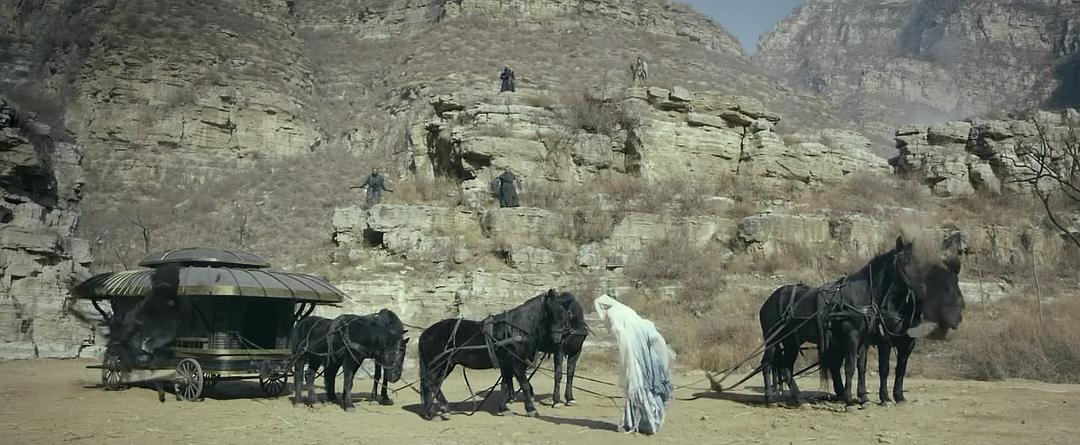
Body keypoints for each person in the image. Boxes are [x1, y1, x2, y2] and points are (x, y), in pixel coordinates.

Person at [594, 294, 674, 435]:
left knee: (637, 386)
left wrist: (627, 362)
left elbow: (621, 334)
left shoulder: (613, 313)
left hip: (635, 353)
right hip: (647, 348)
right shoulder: (626, 310)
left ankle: (644, 423)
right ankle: (648, 420)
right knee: (648, 384)